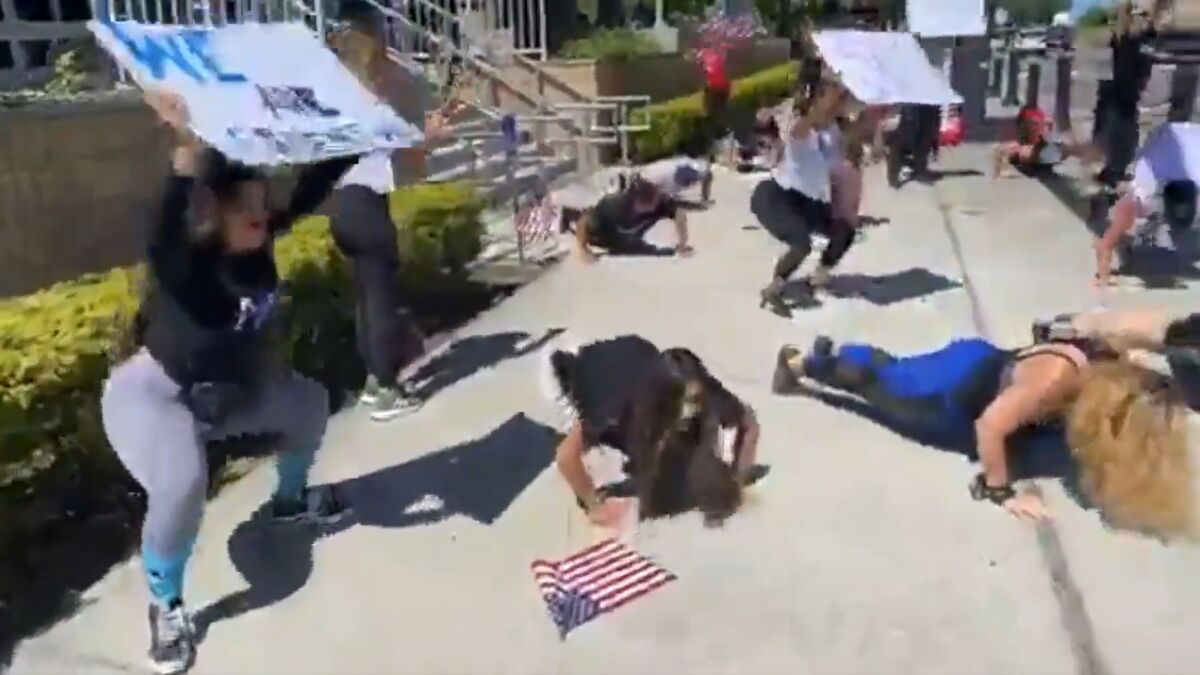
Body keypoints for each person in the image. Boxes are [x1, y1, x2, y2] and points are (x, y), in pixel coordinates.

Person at [100, 90, 355, 674]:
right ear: (215, 211)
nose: (262, 219)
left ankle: (289, 504)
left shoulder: (258, 240)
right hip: (158, 395)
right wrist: (183, 160)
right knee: (183, 482)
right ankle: (166, 603)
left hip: (228, 394)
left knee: (308, 404)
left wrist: (369, 134)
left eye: (264, 207)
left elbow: (313, 185)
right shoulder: (189, 264)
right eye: (248, 211)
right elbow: (159, 241)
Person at [770, 317, 1197, 539]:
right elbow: (990, 426)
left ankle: (838, 357)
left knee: (896, 371)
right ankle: (801, 366)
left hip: (989, 362)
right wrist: (1002, 491)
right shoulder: (1053, 382)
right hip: (952, 390)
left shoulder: (1110, 355)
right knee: (883, 385)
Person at [328, 1, 469, 421]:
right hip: (366, 206)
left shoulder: (339, 91)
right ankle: (388, 389)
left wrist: (427, 130)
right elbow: (402, 151)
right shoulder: (372, 96)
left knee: (366, 299)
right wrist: (430, 135)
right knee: (380, 301)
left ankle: (375, 382)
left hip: (343, 203)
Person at [545, 335, 761, 527]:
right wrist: (592, 504)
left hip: (638, 355)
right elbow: (566, 458)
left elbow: (749, 425)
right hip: (592, 374)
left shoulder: (695, 385)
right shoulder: (611, 414)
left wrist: (741, 474)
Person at [752, 77, 855, 317]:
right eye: (834, 99)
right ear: (817, 101)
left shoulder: (833, 132)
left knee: (844, 231)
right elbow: (801, 128)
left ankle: (817, 279)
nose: (839, 103)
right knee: (801, 244)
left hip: (808, 202)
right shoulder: (800, 128)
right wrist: (821, 107)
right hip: (775, 197)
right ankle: (774, 289)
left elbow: (854, 134)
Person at [1093, 122, 1200, 287]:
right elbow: (1131, 204)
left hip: (1182, 139)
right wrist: (1108, 242)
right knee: (1138, 200)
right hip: (1166, 141)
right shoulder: (1151, 176)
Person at [1097, 2, 1156, 188]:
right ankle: (1116, 166)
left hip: (1125, 85)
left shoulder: (1138, 37)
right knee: (1120, 124)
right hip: (1122, 84)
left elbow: (1144, 59)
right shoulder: (1131, 36)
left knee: (1122, 124)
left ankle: (1117, 167)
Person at [569, 176, 693, 263]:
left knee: (631, 240)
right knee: (593, 224)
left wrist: (682, 243)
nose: (651, 206)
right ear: (635, 200)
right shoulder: (615, 205)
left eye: (653, 201)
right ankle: (568, 216)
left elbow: (679, 214)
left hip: (626, 236)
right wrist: (583, 250)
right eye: (645, 202)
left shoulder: (658, 203)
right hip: (602, 236)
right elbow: (584, 219)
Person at [992, 104, 1100, 179]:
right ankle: (1095, 159)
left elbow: (1000, 151)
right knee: (1072, 149)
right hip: (1042, 155)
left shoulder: (1020, 150)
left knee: (1072, 149)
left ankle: (1094, 159)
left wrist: (1000, 171)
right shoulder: (1024, 151)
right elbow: (1002, 152)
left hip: (1043, 155)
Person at [627, 154, 714, 204]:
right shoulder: (647, 173)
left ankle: (704, 197)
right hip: (675, 170)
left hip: (675, 170)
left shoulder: (647, 174)